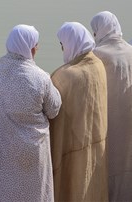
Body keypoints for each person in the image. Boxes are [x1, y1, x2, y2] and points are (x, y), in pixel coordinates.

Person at [0, 25, 62, 202]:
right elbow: (54, 110)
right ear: (30, 47)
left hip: (1, 151)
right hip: (32, 153)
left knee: (3, 194)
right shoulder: (40, 77)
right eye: (36, 44)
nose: (37, 48)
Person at [50, 22, 108, 201]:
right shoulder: (99, 65)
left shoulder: (65, 75)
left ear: (70, 43)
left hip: (71, 144)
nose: (62, 50)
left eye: (62, 45)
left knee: (74, 185)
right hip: (97, 141)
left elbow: (51, 111)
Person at [90, 11, 132, 201]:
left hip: (108, 122)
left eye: (94, 31)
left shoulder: (97, 54)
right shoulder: (131, 50)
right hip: (128, 122)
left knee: (110, 168)